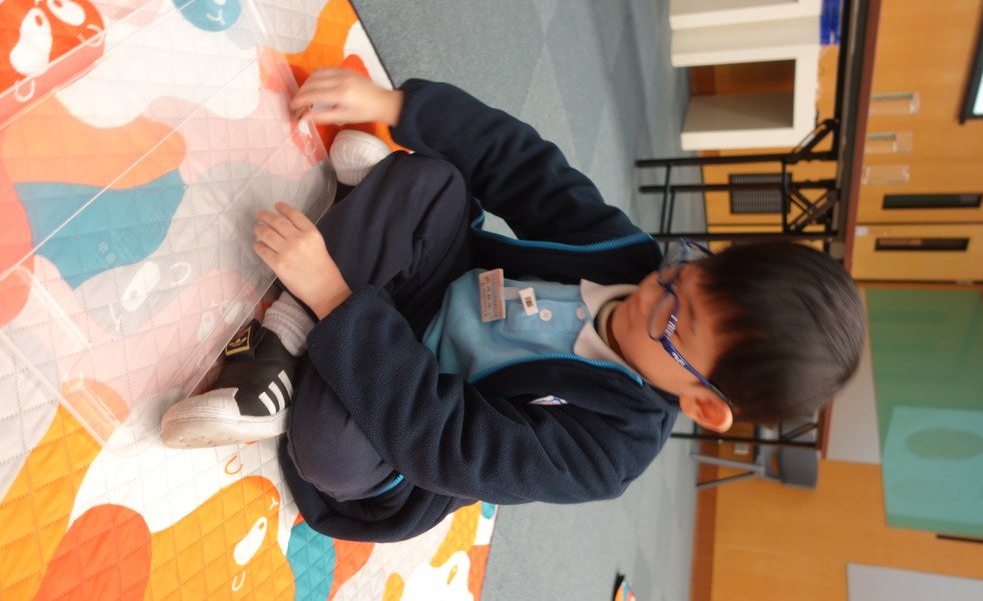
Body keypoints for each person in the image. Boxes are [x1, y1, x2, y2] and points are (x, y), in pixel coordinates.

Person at [161, 68, 866, 542]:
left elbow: (445, 440)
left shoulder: (608, 453)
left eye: (675, 321)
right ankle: (295, 331)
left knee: (335, 460)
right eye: (686, 269)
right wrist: (393, 106)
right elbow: (525, 167)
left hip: (408, 424)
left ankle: (304, 345)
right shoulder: (629, 260)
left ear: (703, 405)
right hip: (435, 293)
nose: (655, 290)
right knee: (433, 181)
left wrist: (334, 297)